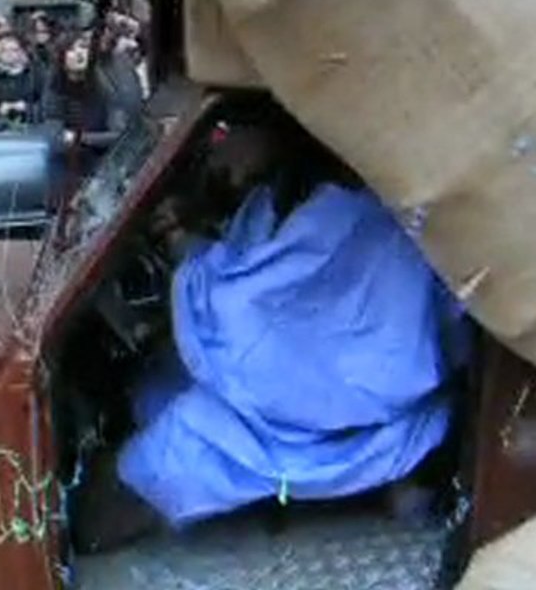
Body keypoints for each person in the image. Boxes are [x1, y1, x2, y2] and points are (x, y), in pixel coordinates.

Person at [72, 93, 467, 551]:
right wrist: (196, 246)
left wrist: (186, 251)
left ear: (268, 126)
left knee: (123, 491)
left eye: (224, 135)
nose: (218, 152)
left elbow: (252, 317)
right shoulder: (281, 191)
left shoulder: (346, 208)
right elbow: (258, 281)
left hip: (329, 404)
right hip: (295, 388)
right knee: (150, 388)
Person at [41, 30, 143, 152]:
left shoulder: (103, 85)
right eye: (72, 50)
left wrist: (78, 138)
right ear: (62, 56)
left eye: (83, 48)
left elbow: (119, 134)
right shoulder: (55, 86)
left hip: (101, 157)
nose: (79, 53)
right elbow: (54, 136)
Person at [0, 33, 43, 123]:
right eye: (4, 50)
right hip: (3, 128)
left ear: (21, 52)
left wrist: (26, 107)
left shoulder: (35, 75)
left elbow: (45, 104)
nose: (10, 54)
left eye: (14, 50)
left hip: (32, 124)